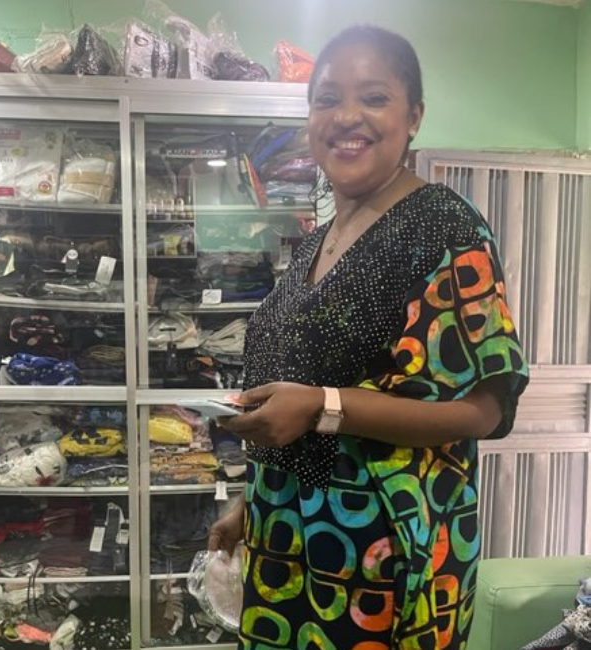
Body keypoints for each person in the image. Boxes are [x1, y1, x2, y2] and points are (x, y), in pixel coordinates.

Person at [208, 23, 528, 650]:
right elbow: (297, 396)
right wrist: (252, 506)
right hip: (290, 544)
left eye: (374, 97)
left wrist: (324, 407)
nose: (346, 116)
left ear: (414, 117)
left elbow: (484, 410)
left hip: (384, 555)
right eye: (327, 99)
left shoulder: (444, 228)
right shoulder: (318, 242)